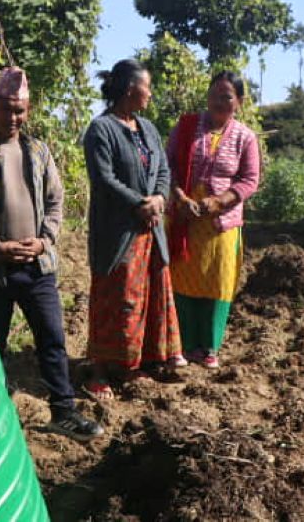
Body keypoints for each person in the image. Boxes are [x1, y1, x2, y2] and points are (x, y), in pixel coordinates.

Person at [0, 67, 103, 441]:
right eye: (6, 109)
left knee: (52, 338)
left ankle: (63, 412)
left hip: (38, 266)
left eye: (20, 110)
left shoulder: (38, 151)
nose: (14, 117)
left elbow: (55, 201)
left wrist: (44, 240)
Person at [82, 59, 185, 401]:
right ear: (130, 89)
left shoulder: (149, 129)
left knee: (150, 296)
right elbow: (104, 179)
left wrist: (157, 199)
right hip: (118, 233)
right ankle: (101, 370)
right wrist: (140, 203)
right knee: (117, 298)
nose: (151, 93)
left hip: (151, 231)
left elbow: (163, 171)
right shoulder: (101, 129)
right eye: (147, 87)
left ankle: (141, 363)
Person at [166, 71, 260, 369]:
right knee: (181, 279)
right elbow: (167, 166)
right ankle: (183, 344)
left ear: (239, 102)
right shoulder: (186, 128)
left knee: (217, 283)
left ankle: (208, 347)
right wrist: (180, 197)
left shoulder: (245, 137)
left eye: (227, 96)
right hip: (185, 218)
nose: (219, 101)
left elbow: (249, 180)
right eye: (214, 94)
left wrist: (220, 201)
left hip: (222, 224)